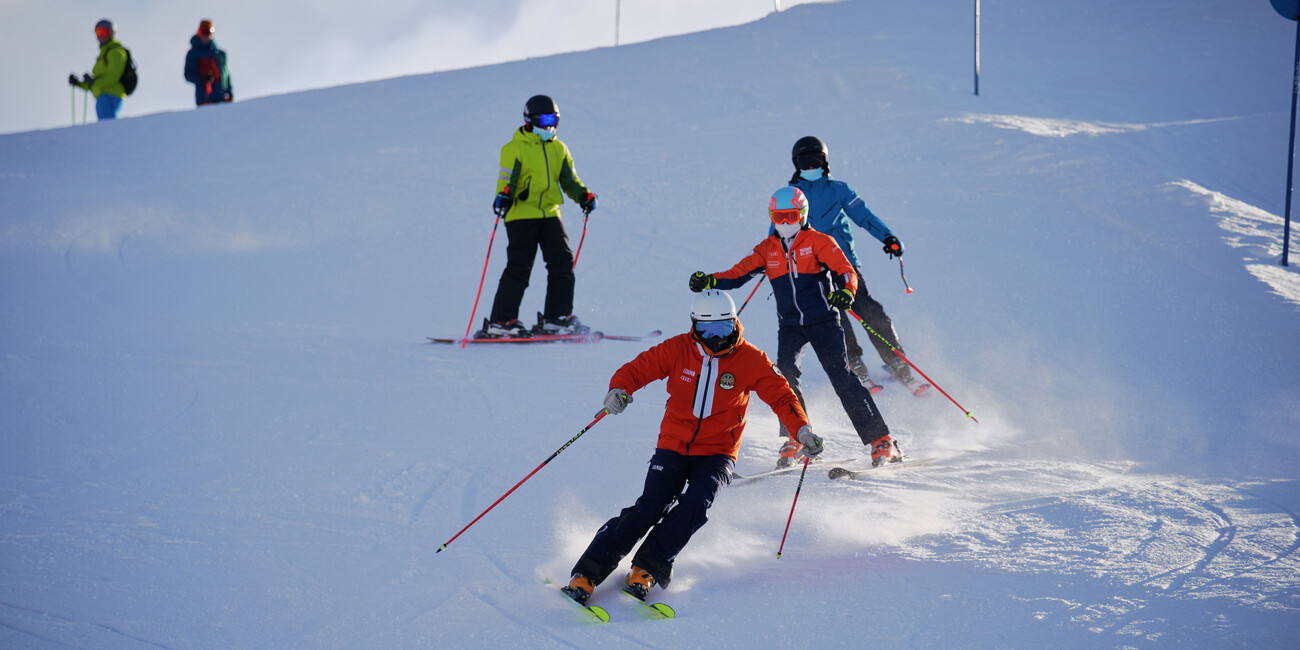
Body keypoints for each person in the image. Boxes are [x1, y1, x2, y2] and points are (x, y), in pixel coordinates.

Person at [560, 289, 823, 605]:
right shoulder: (678, 349)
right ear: (694, 326)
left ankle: (647, 567)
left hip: (718, 452)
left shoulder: (751, 359)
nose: (715, 338)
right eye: (707, 330)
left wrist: (802, 431)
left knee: (696, 504)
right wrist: (619, 389)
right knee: (649, 507)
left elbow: (781, 396)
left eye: (723, 329)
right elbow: (638, 368)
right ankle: (586, 574)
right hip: (673, 444)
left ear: (735, 323)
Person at [690, 187, 901, 469]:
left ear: (802, 215)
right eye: (779, 216)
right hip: (790, 325)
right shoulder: (768, 249)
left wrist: (847, 292)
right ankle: (798, 437)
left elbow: (845, 271)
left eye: (791, 216)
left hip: (823, 321)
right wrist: (710, 281)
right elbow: (737, 274)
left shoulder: (819, 242)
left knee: (842, 378)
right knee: (784, 378)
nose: (785, 222)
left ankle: (882, 440)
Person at [785, 136, 927, 394]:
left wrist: (888, 237)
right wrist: (772, 259)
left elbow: (864, 216)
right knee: (838, 317)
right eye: (804, 162)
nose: (810, 167)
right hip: (813, 269)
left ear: (825, 162)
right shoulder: (791, 196)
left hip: (844, 264)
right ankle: (854, 362)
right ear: (796, 165)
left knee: (868, 309)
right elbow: (778, 229)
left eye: (815, 161)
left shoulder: (839, 190)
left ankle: (896, 360)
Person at [477, 95, 598, 339]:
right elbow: (506, 181)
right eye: (544, 119)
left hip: (550, 213)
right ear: (529, 121)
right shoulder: (514, 149)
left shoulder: (559, 149)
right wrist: (503, 197)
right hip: (521, 214)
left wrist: (583, 195)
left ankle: (557, 317)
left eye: (553, 119)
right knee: (520, 267)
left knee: (563, 263)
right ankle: (501, 321)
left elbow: (569, 181)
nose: (549, 125)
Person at [68, 19, 129, 121]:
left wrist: (94, 81)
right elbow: (95, 85)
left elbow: (113, 76)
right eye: (99, 32)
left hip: (111, 94)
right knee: (105, 124)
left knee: (107, 125)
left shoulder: (115, 52)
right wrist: (79, 83)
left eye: (105, 32)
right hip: (103, 96)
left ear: (111, 33)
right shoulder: (103, 54)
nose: (101, 36)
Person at [184, 20, 234, 106]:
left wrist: (229, 92)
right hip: (205, 98)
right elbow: (188, 74)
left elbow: (226, 74)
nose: (206, 36)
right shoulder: (193, 54)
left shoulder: (220, 54)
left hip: (222, 97)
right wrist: (202, 79)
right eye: (203, 32)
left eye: (209, 32)